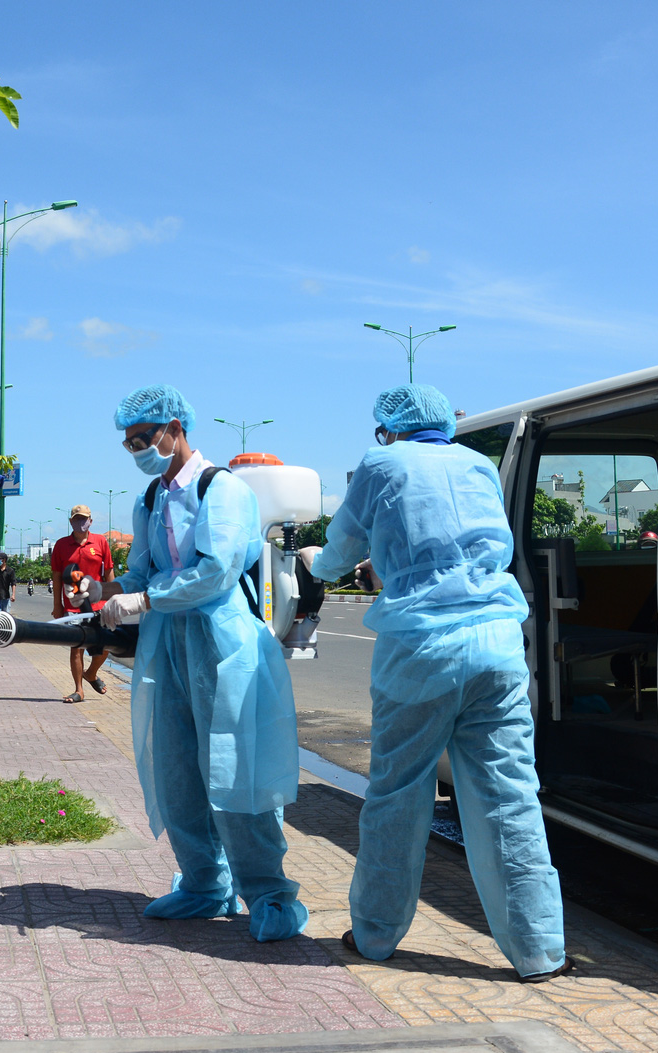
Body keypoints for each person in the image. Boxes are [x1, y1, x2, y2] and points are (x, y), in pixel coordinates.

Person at [310, 383, 570, 980]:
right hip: (498, 646)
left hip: (422, 651)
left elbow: (343, 547)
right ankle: (538, 951)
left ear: (389, 428)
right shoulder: (477, 462)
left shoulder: (381, 464)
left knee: (398, 798)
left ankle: (375, 936)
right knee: (509, 799)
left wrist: (313, 566)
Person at [99, 384, 308, 942]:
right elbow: (142, 570)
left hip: (225, 647)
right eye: (129, 443)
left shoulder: (224, 490)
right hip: (168, 647)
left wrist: (145, 601)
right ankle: (203, 883)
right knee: (176, 770)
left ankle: (268, 892)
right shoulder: (150, 499)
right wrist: (112, 589)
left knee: (234, 770)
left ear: (174, 428)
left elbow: (215, 573)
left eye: (144, 438)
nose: (139, 449)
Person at [51, 504, 114, 703]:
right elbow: (57, 577)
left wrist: (114, 599)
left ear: (91, 521)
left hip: (98, 604)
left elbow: (109, 572)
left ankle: (91, 673)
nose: (81, 522)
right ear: (70, 521)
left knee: (107, 646)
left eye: (84, 518)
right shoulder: (61, 545)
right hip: (72, 607)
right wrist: (58, 605)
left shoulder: (101, 542)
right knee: (76, 648)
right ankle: (79, 690)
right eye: (77, 519)